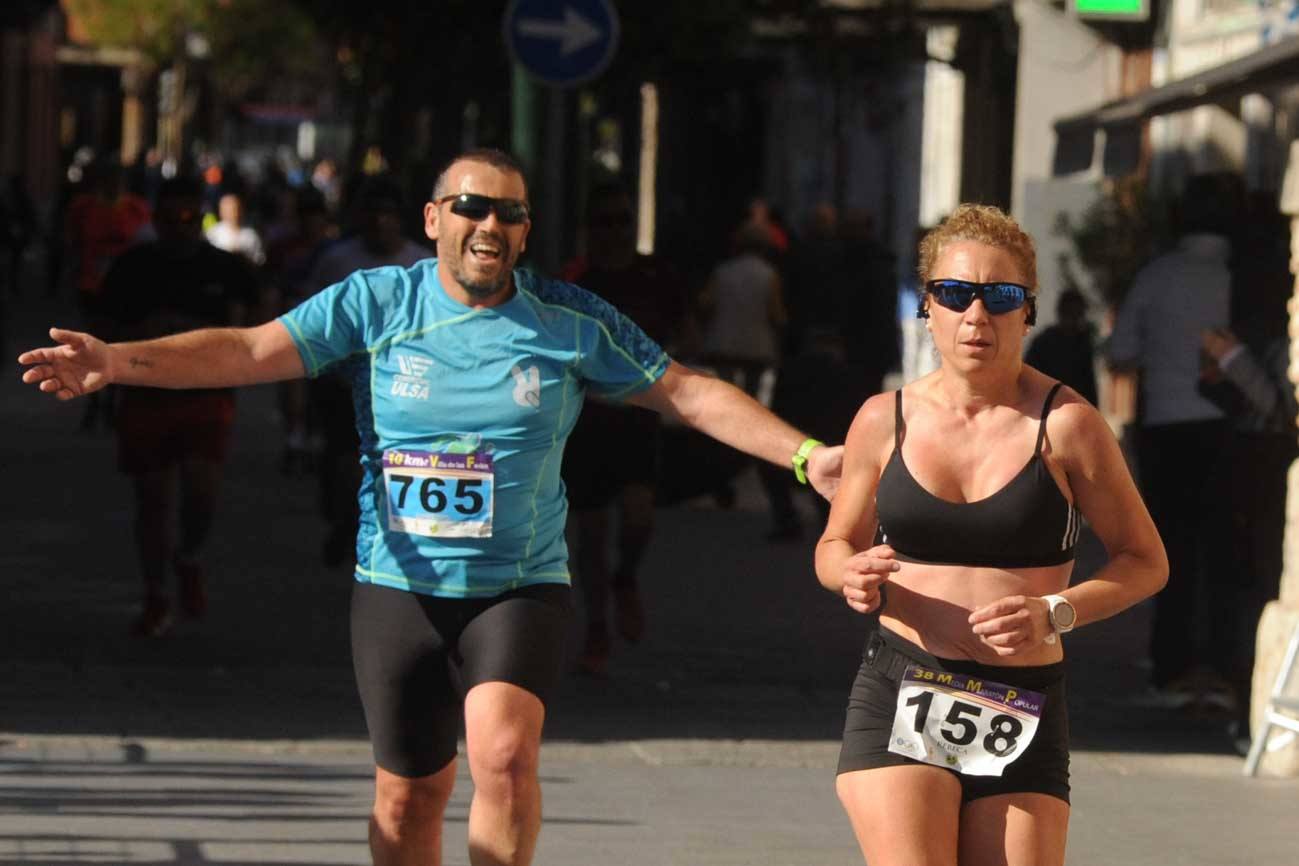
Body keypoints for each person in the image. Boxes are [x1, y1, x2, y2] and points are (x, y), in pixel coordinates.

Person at [19, 147, 842, 866]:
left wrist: (808, 458)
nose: (489, 225)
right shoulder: (375, 303)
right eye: (471, 207)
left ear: (524, 231)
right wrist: (117, 363)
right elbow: (248, 348)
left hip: (518, 585)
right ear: (434, 218)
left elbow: (688, 393)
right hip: (397, 588)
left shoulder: (567, 320)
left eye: (509, 213)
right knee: (408, 797)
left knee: (506, 756)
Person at [816, 204, 1166, 866]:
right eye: (954, 294)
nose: (976, 316)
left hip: (1021, 702)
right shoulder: (881, 419)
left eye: (1000, 297)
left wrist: (1052, 612)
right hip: (902, 683)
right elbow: (833, 546)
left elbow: (1145, 561)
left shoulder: (1067, 425)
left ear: (1026, 311)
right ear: (928, 307)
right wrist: (848, 575)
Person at [94, 175, 263, 636]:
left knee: (201, 493)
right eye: (169, 218)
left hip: (207, 397)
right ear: (156, 219)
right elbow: (102, 325)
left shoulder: (226, 266)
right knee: (152, 500)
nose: (180, 227)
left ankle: (188, 557)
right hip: (145, 397)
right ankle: (156, 594)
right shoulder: (134, 265)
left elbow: (261, 318)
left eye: (189, 217)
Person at [1108, 173, 1234, 706]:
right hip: (1230, 427)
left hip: (1165, 425)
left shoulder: (1158, 275)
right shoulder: (1240, 277)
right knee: (1227, 550)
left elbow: (1119, 351)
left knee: (1167, 549)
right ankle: (1223, 664)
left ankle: (1171, 665)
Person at [559, 183, 692, 676]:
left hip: (639, 416)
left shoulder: (654, 274)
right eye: (604, 222)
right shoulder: (576, 278)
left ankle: (627, 577)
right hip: (586, 419)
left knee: (639, 516)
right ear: (590, 230)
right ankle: (596, 627)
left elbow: (685, 328)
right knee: (590, 534)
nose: (613, 231)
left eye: (621, 221)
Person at [1024, 288, 1098, 406]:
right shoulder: (1044, 343)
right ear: (1061, 313)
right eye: (1070, 314)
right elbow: (1028, 378)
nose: (1073, 320)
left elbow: (1089, 385)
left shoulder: (1081, 344)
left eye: (1077, 315)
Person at [205, 191, 266, 267]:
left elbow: (259, 260)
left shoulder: (251, 235)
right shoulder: (213, 234)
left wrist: (243, 259)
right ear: (221, 211)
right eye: (227, 210)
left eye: (235, 209)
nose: (232, 213)